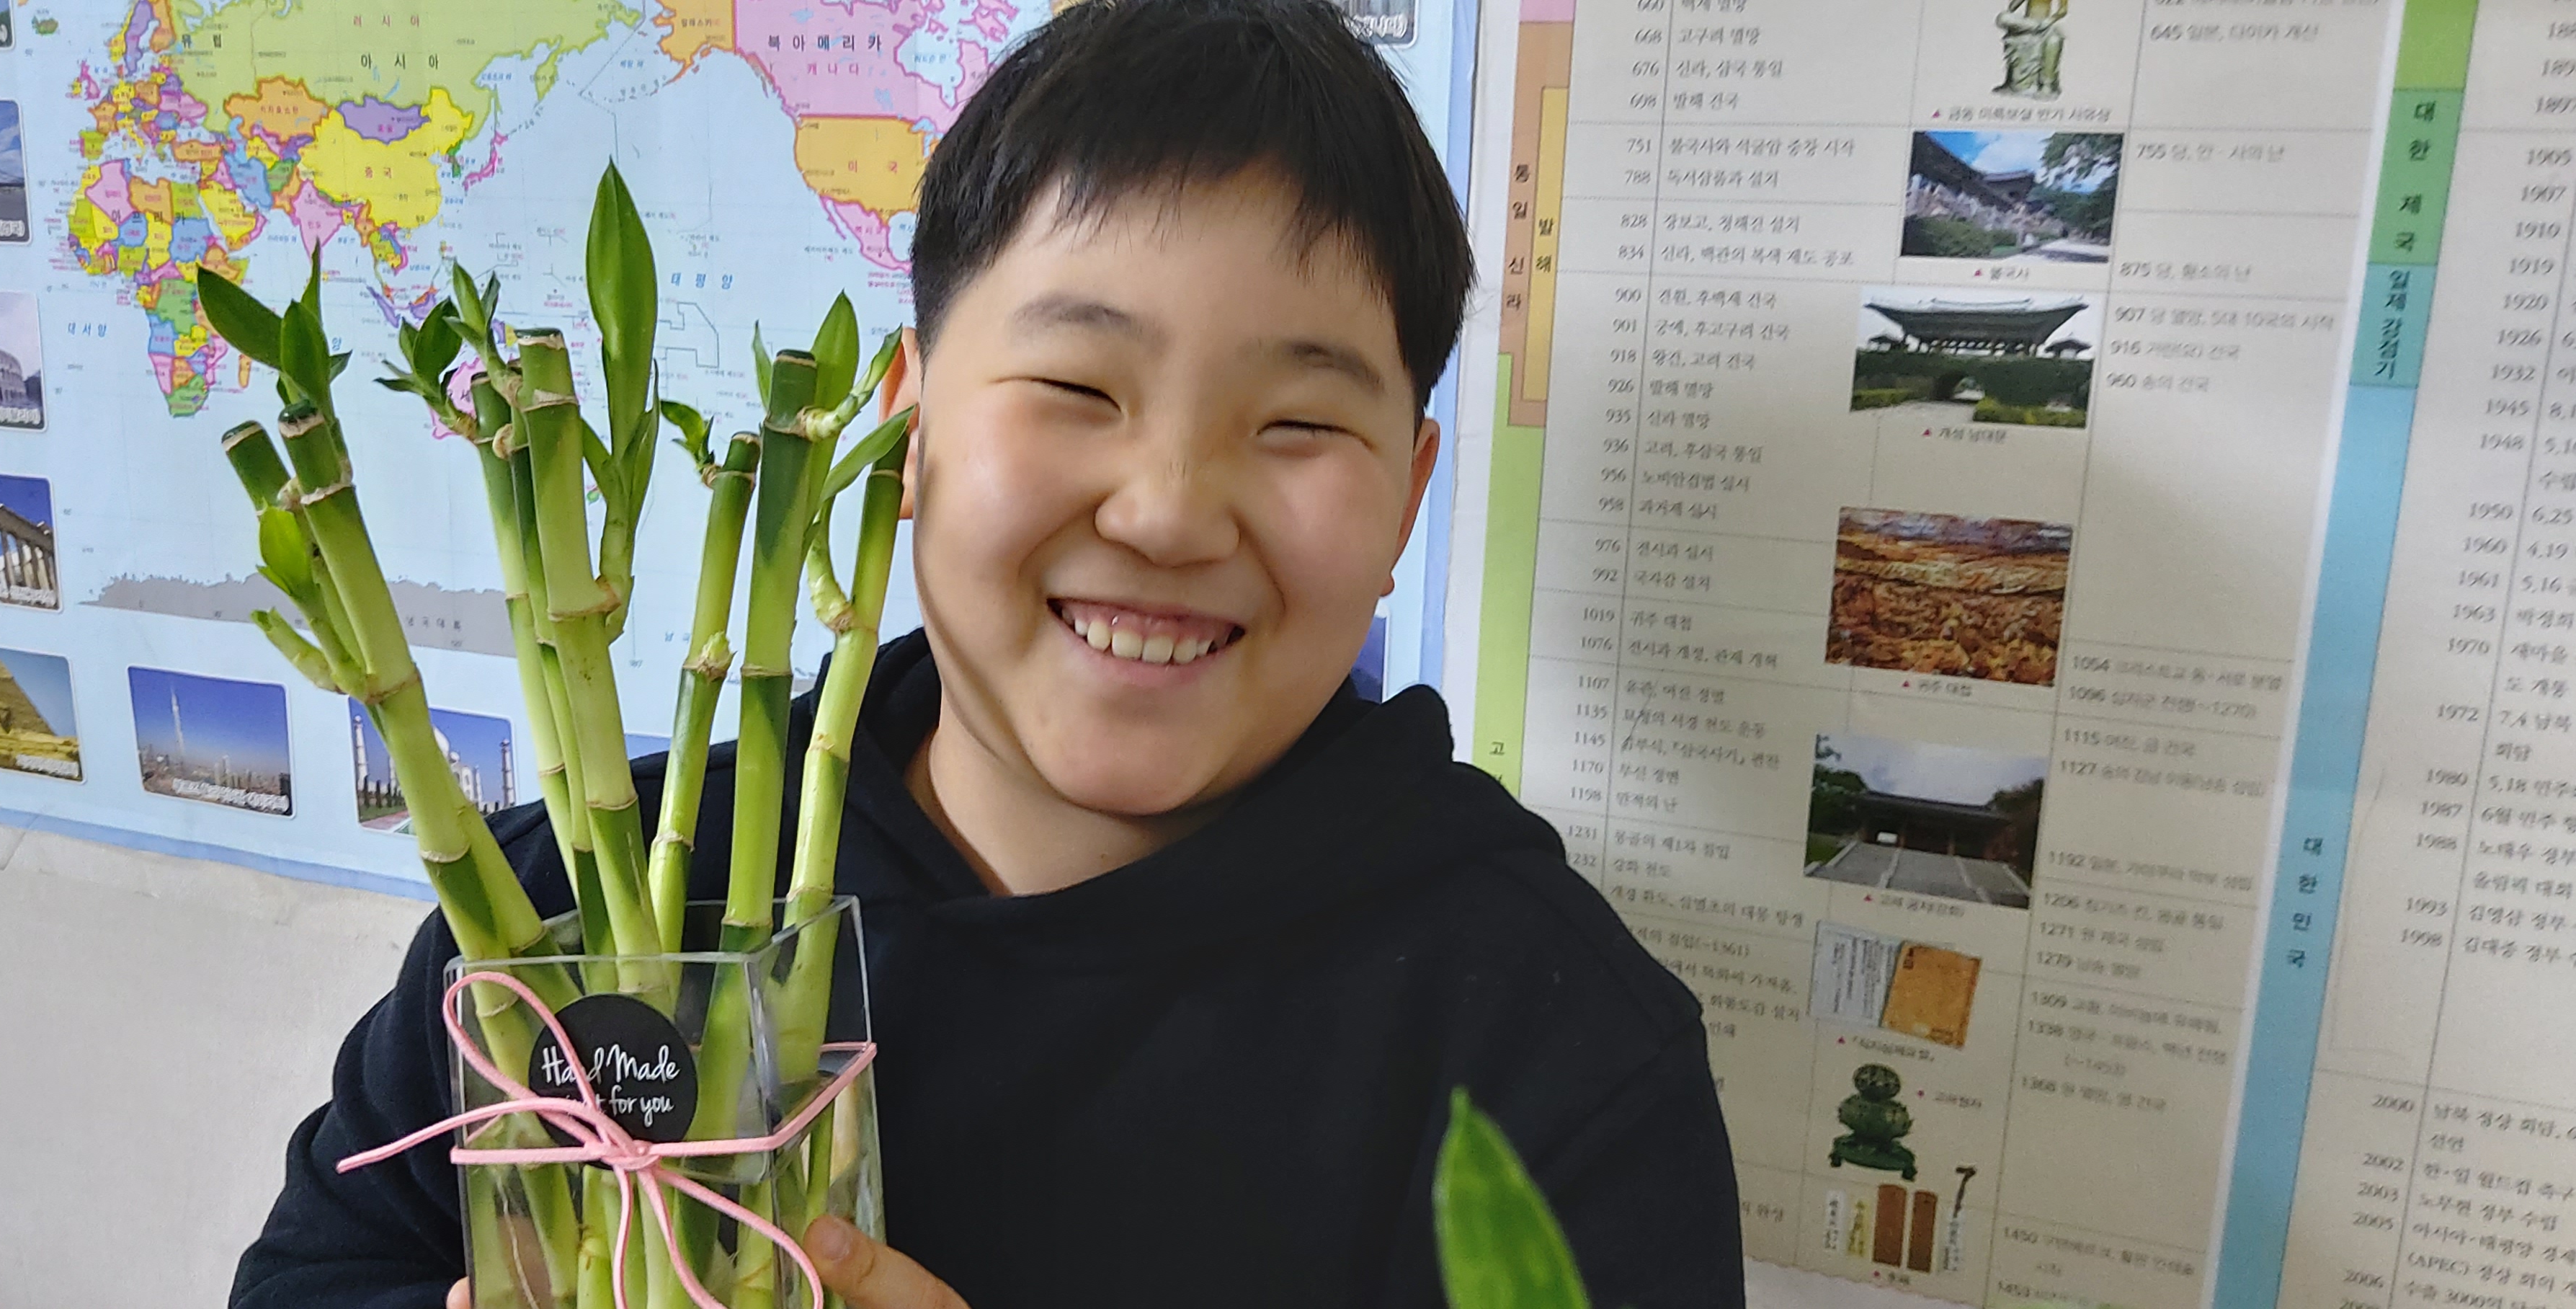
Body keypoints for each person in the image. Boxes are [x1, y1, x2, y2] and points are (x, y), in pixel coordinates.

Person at [230, 0, 1743, 1305]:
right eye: (1079, 386)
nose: (1166, 511)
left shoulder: (1557, 1050)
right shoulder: (572, 911)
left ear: (1407, 498)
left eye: (1296, 422)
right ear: (900, 429)